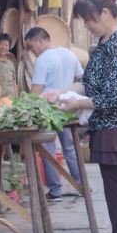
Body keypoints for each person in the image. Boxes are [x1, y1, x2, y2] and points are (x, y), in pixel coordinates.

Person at [45, 0, 117, 233]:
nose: (87, 26)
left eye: (88, 20)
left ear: (105, 13)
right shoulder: (104, 42)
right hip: (107, 132)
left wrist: (79, 104)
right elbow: (89, 83)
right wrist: (61, 91)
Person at [25, 27, 83, 201]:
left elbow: (36, 91)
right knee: (70, 149)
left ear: (40, 41)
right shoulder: (70, 54)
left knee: (48, 150)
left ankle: (55, 191)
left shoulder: (43, 59)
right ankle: (81, 186)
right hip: (67, 107)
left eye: (32, 46)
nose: (32, 51)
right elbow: (80, 78)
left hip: (48, 111)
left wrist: (26, 105)